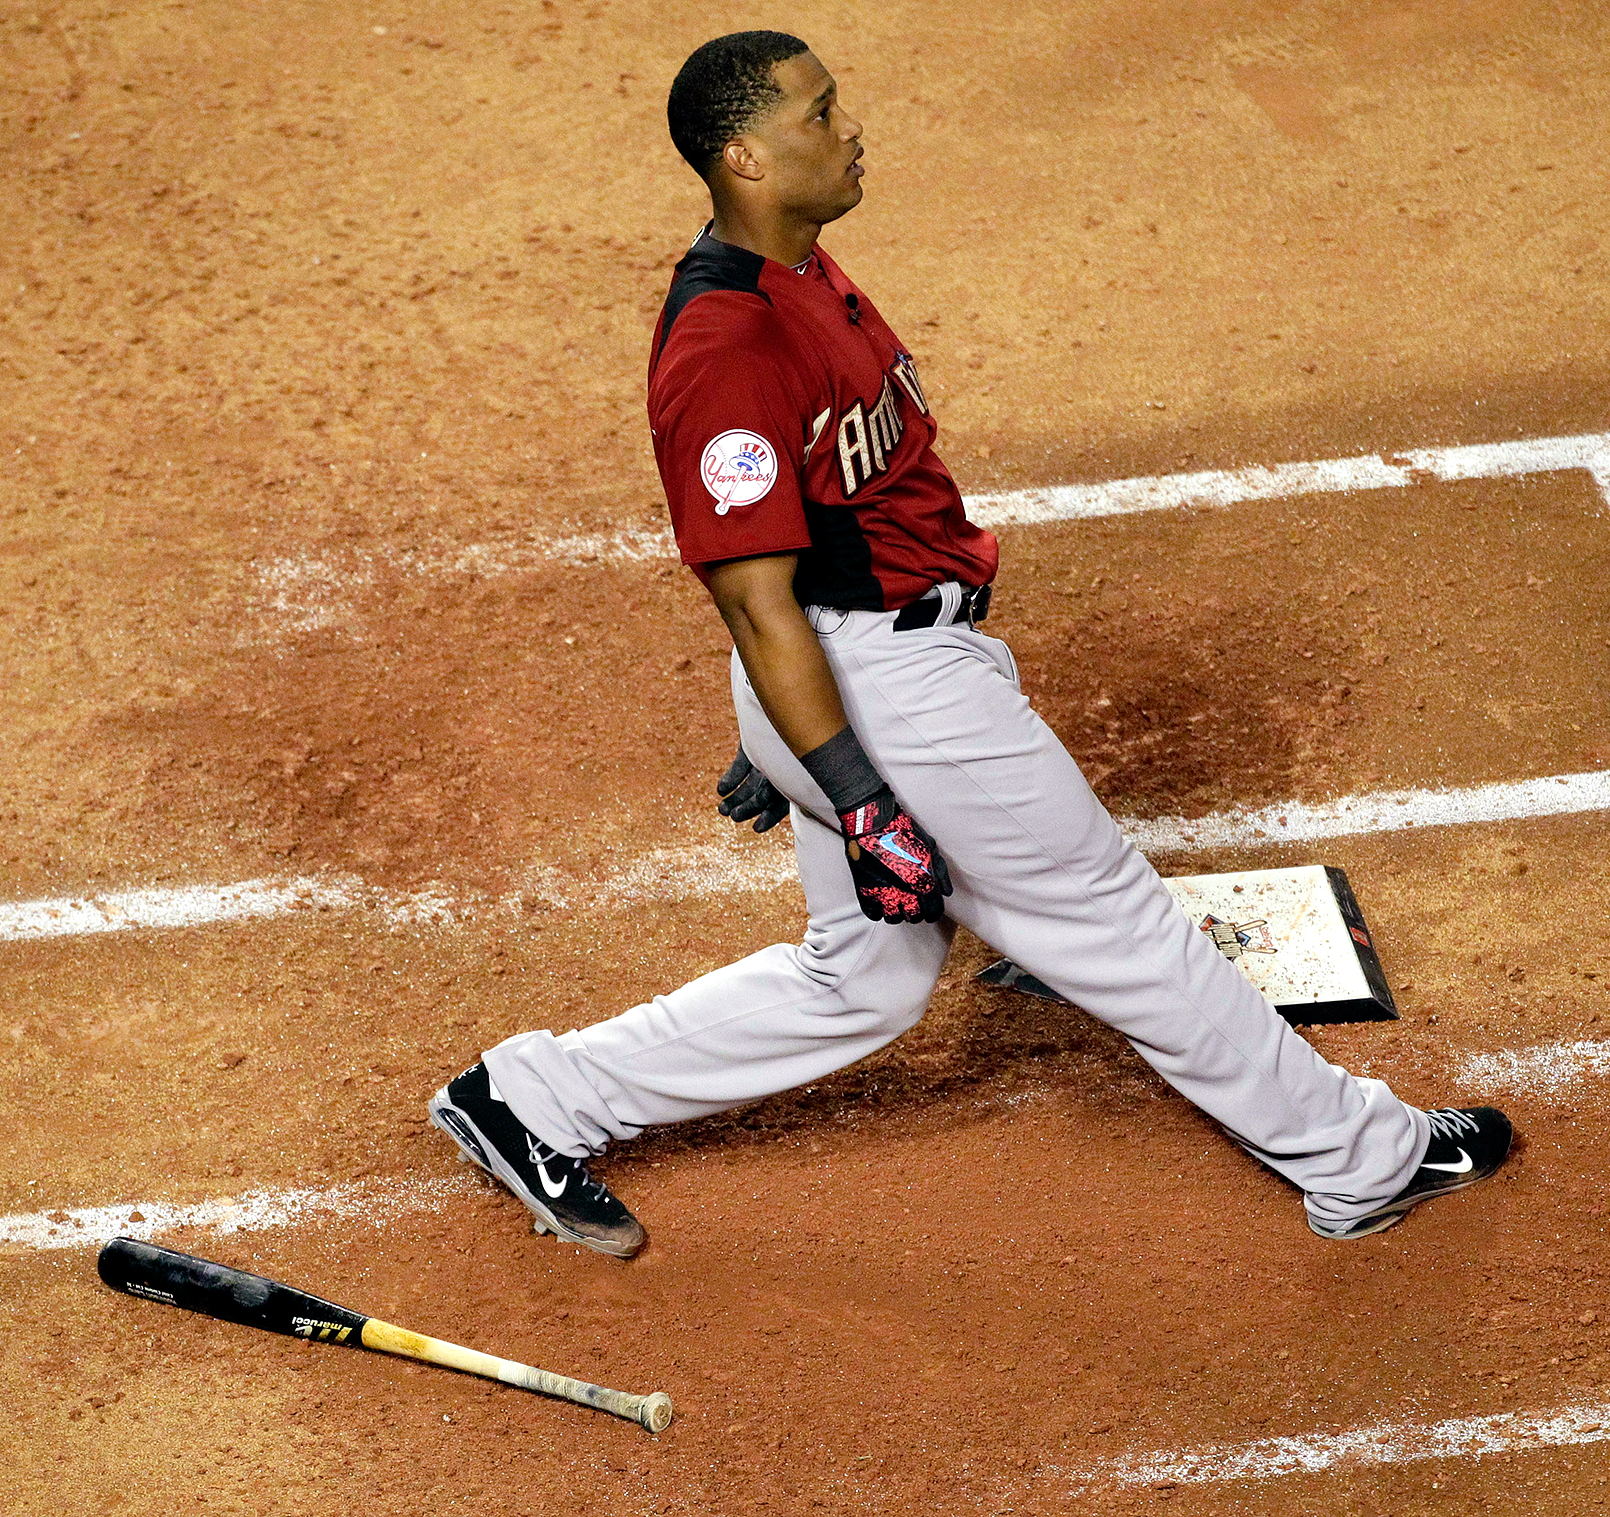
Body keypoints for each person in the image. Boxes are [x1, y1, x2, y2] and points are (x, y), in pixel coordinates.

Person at [427, 30, 1513, 1257]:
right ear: (742, 154)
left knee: (865, 976)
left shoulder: (803, 270)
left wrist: (787, 736)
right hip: (887, 690)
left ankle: (530, 1097)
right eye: (818, 114)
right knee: (1111, 921)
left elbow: (809, 551)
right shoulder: (722, 348)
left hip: (854, 673)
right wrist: (851, 787)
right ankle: (1361, 1157)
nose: (848, 130)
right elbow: (751, 598)